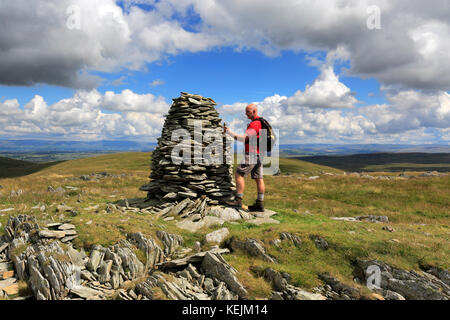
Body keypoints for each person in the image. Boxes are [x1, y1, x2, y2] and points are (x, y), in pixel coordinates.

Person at [223, 104, 265, 212]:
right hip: (259, 154)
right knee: (258, 178)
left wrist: (229, 132)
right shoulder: (261, 123)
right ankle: (259, 204)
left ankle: (238, 201)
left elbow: (244, 139)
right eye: (246, 112)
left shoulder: (255, 124)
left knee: (239, 174)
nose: (246, 114)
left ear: (254, 111)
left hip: (251, 154)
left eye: (248, 112)